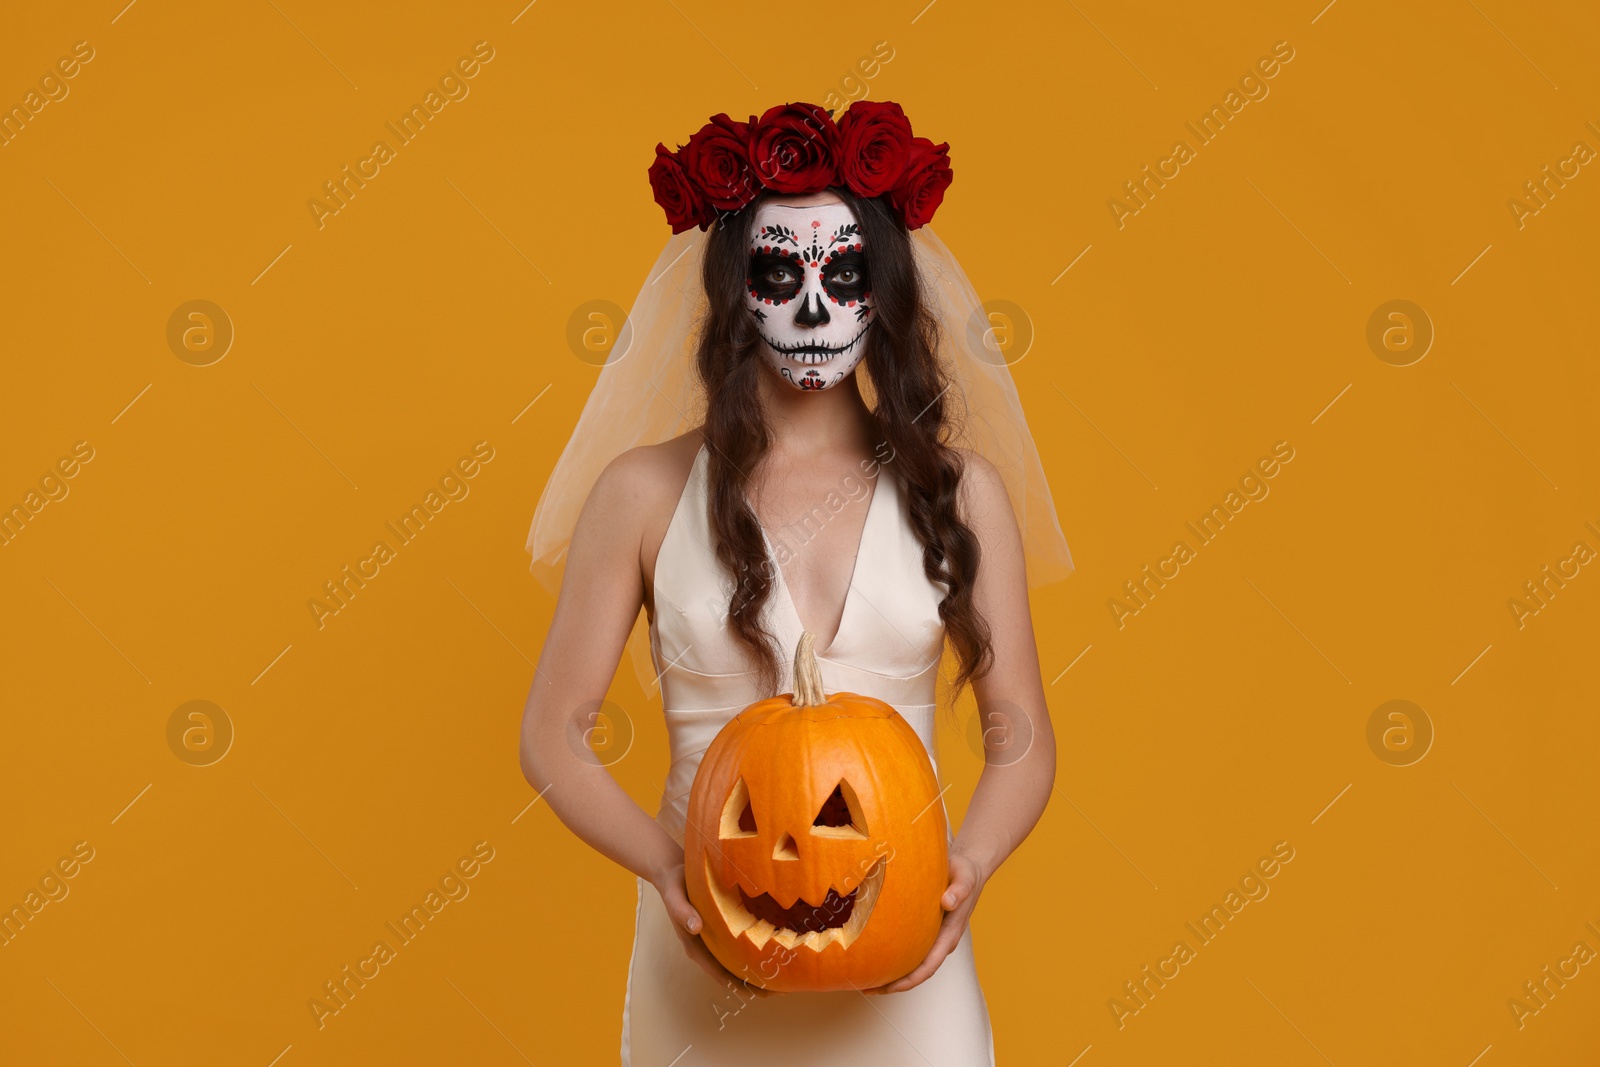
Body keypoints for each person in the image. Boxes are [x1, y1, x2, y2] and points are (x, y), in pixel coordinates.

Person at [520, 102, 1074, 1065]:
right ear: (735, 290)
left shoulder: (960, 492)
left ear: (885, 291)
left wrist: (965, 869)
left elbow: (1019, 731)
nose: (813, 310)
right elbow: (552, 730)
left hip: (905, 952)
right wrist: (669, 872)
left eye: (845, 275)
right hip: (706, 953)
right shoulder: (642, 493)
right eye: (780, 274)